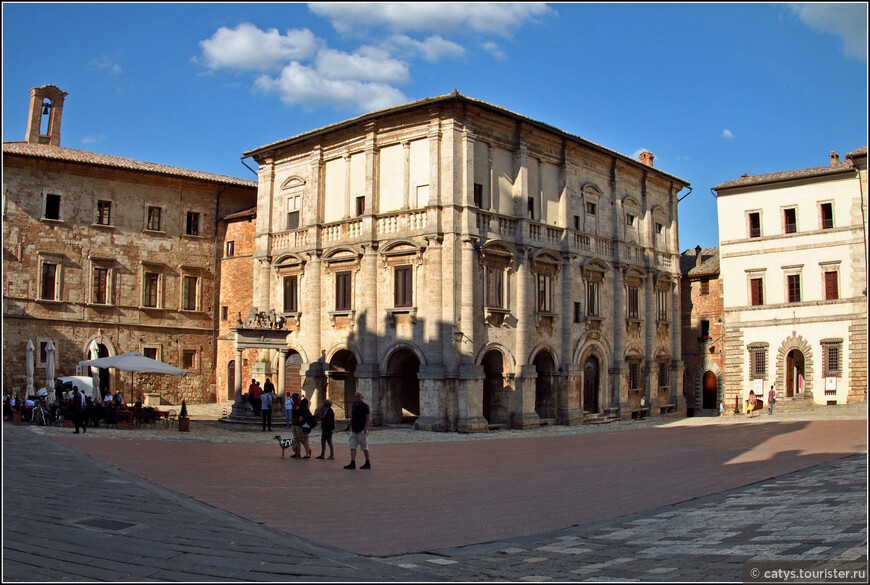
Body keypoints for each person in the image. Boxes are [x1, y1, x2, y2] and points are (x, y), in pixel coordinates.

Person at [344, 391, 371, 470]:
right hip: (353, 430)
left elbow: (368, 418)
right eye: (356, 396)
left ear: (362, 397)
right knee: (352, 446)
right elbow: (353, 416)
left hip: (361, 430)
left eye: (359, 396)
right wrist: (349, 425)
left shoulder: (365, 406)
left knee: (364, 447)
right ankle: (352, 463)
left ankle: (367, 462)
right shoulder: (354, 405)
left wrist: (365, 428)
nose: (357, 397)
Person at [290, 393, 303, 458]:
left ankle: (303, 450)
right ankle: (297, 452)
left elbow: (300, 414)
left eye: (294, 398)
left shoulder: (299, 405)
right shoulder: (294, 405)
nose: (293, 399)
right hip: (294, 423)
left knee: (299, 439)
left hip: (298, 424)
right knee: (296, 439)